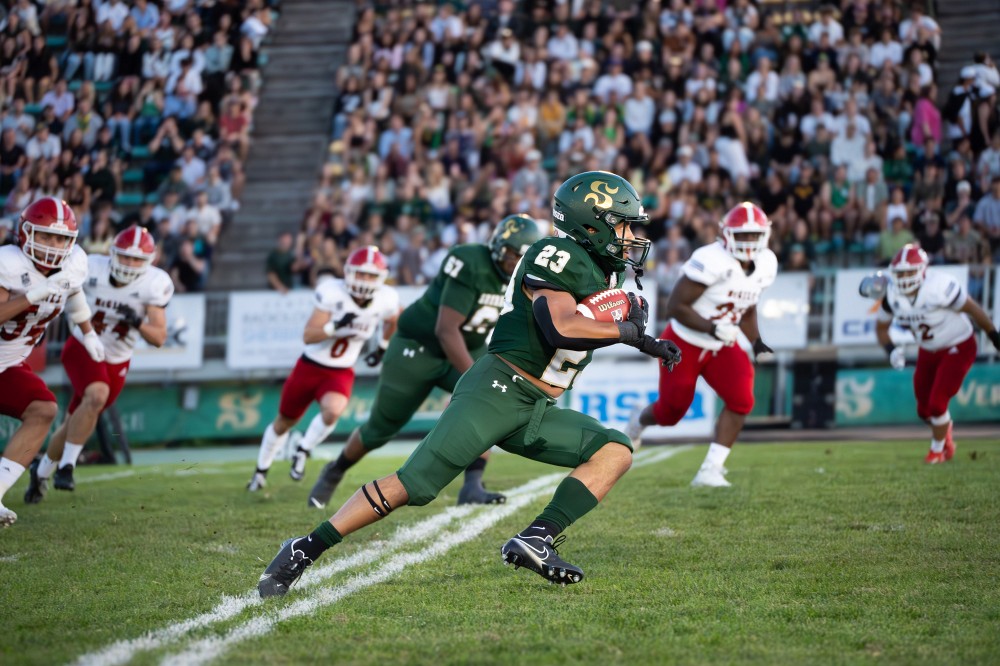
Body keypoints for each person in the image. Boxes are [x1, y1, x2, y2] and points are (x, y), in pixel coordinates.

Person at [255, 171, 682, 597]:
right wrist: (627, 333)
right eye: (623, 224)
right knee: (415, 485)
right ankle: (303, 549)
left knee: (615, 451)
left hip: (537, 406)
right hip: (497, 390)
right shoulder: (557, 253)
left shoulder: (606, 272)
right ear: (591, 223)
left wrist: (646, 341)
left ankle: (537, 538)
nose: (630, 235)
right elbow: (559, 327)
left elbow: (587, 328)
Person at [305, 215, 544, 509]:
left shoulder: (523, 279)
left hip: (467, 346)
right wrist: (474, 374)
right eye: (512, 253)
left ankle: (472, 486)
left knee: (491, 403)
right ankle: (335, 470)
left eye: (523, 256)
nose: (515, 261)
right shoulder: (470, 260)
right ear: (498, 245)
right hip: (419, 348)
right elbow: (445, 329)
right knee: (381, 428)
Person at [626, 202, 778, 488]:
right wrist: (712, 327)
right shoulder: (712, 259)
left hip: (722, 343)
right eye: (741, 235)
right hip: (685, 340)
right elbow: (675, 306)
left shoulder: (767, 263)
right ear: (726, 235)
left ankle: (711, 469)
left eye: (752, 235)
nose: (747, 242)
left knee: (742, 400)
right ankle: (639, 419)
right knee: (671, 412)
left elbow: (747, 305)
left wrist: (756, 341)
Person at [24, 225, 171, 502]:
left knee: (74, 421)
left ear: (149, 262)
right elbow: (58, 292)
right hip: (82, 345)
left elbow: (159, 337)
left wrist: (137, 321)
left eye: (137, 259)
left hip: (117, 359)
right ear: (112, 253)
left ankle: (41, 471)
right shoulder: (92, 267)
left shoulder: (154, 284)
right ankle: (67, 466)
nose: (130, 264)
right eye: (125, 256)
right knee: (97, 394)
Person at [246, 246, 400, 492]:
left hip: (340, 370)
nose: (365, 280)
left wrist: (382, 346)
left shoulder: (386, 299)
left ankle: (303, 449)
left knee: (333, 411)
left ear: (380, 279)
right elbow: (308, 336)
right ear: (348, 273)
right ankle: (260, 472)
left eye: (371, 276)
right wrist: (334, 326)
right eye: (360, 274)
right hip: (310, 366)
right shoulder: (332, 293)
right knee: (284, 422)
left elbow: (393, 319)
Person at [0, 198, 103, 526]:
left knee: (43, 408)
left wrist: (88, 332)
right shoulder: (9, 263)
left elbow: (72, 293)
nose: (53, 245)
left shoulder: (73, 264)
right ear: (26, 234)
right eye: (45, 236)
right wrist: (34, 293)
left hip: (8, 363)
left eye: (60, 239)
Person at [861, 245, 1000, 463]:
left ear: (922, 271)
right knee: (924, 410)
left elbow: (973, 309)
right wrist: (891, 350)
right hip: (928, 350)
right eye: (900, 273)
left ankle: (938, 450)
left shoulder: (938, 286)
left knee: (937, 404)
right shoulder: (891, 295)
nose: (905, 278)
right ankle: (945, 432)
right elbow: (881, 329)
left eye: (909, 272)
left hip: (958, 345)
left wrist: (994, 336)